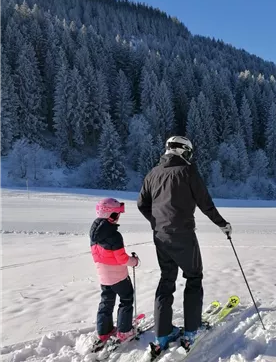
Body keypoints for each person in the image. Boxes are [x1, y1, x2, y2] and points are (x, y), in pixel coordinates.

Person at [137, 136, 232, 351]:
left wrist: (157, 222)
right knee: (194, 277)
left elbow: (142, 204)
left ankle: (162, 334)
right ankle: (190, 331)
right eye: (188, 152)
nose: (190, 157)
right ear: (181, 151)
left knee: (166, 279)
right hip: (183, 236)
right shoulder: (188, 171)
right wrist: (222, 224)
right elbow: (205, 203)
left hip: (160, 236)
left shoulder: (153, 173)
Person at [90, 197, 139, 348]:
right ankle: (124, 331)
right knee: (126, 298)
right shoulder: (114, 236)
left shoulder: (94, 233)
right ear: (110, 215)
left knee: (106, 301)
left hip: (103, 276)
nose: (118, 216)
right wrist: (134, 261)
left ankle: (104, 331)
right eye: (117, 213)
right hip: (118, 276)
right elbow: (122, 259)